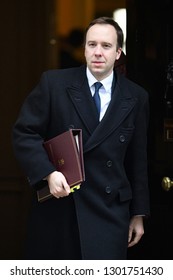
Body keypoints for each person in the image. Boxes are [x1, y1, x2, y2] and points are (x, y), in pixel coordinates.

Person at [12, 17, 150, 260]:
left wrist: (138, 213)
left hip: (110, 212)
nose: (97, 52)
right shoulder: (54, 84)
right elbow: (25, 133)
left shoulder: (136, 96)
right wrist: (48, 173)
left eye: (106, 46)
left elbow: (137, 159)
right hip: (61, 208)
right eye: (91, 44)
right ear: (84, 48)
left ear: (118, 53)